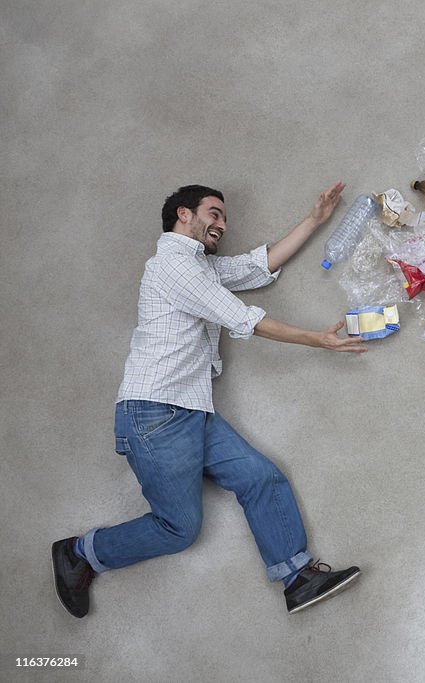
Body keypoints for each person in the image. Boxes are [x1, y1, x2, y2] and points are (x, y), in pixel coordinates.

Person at [52, 183, 369, 618]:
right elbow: (242, 317)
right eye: (214, 213)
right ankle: (80, 552)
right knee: (179, 529)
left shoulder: (200, 267)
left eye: (224, 218)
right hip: (154, 413)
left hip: (191, 411)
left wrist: (315, 219)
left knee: (260, 477)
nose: (222, 223)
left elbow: (258, 266)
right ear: (184, 214)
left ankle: (297, 578)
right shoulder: (172, 265)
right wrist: (316, 339)